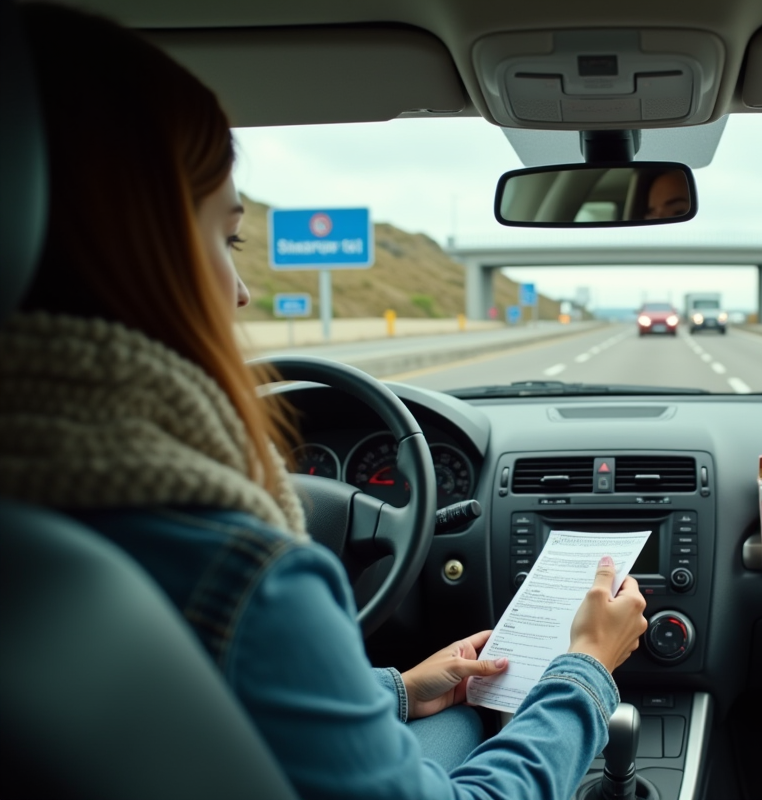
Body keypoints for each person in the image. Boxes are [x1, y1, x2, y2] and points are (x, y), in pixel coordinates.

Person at [0, 4, 647, 800]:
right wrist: (582, 672)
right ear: (130, 245)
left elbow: (234, 692)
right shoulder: (243, 573)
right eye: (226, 238)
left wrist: (400, 689)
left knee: (460, 708)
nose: (239, 293)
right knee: (496, 719)